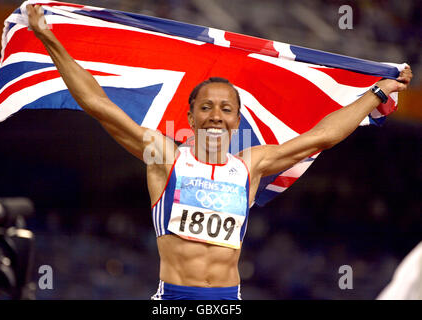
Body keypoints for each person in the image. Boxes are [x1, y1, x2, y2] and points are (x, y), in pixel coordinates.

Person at [26, 4, 413, 300]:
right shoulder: (165, 157)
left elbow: (321, 136)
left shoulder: (251, 165)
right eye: (206, 108)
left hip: (228, 300)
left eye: (225, 109)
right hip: (175, 299)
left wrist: (376, 93)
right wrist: (49, 39)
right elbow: (100, 105)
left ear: (237, 119)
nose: (215, 115)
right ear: (190, 117)